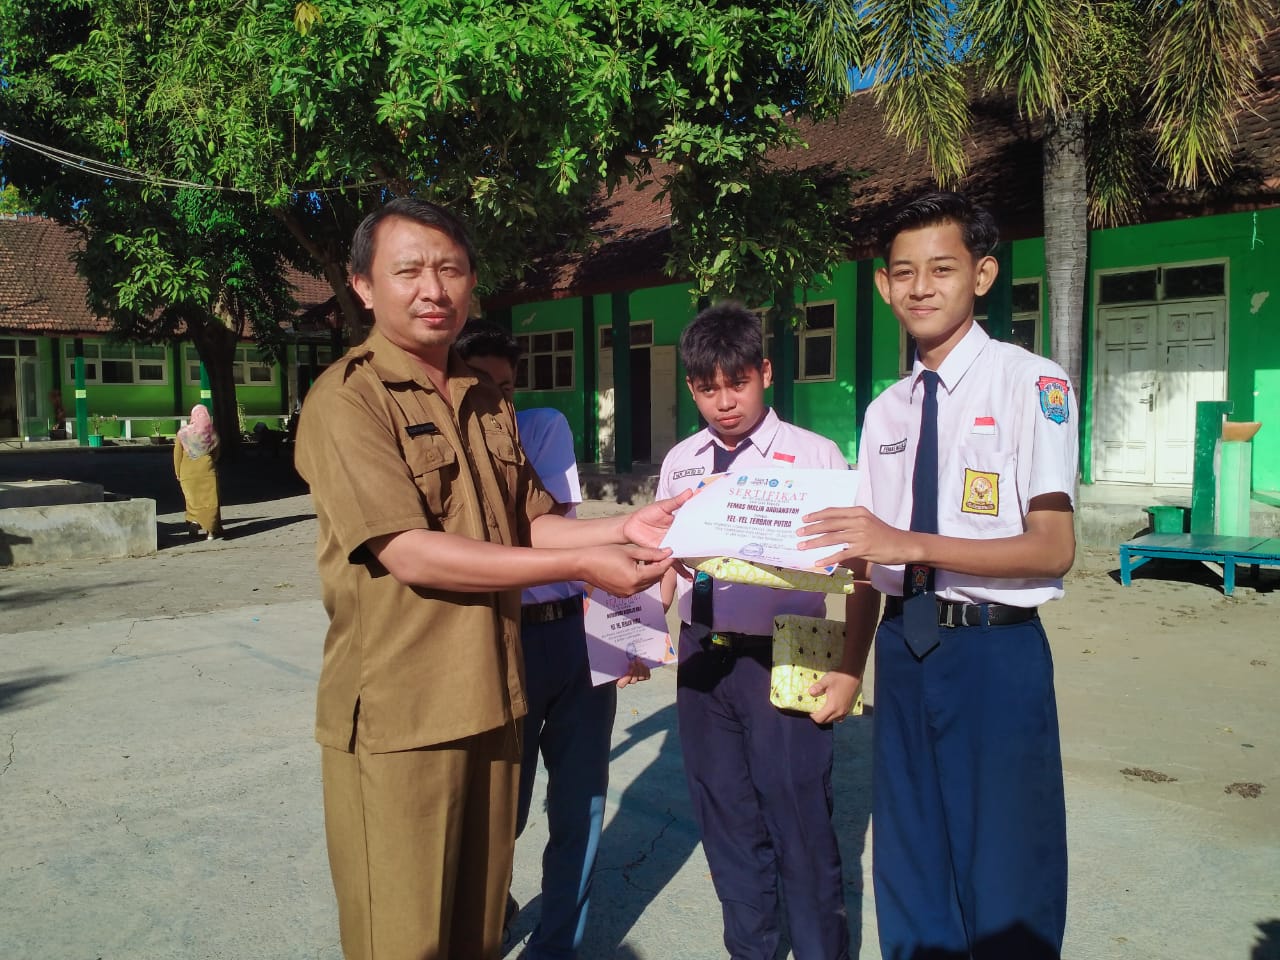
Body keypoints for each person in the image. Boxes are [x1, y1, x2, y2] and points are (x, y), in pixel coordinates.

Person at [293, 197, 687, 960]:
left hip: (495, 701)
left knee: (476, 931)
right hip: (404, 719)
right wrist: (580, 562)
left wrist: (626, 527)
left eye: (450, 269)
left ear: (473, 283)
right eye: (408, 270)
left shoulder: (484, 399)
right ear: (364, 286)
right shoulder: (348, 399)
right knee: (404, 938)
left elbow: (530, 520)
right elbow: (409, 551)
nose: (432, 287)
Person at [799, 190, 1078, 960]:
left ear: (982, 275)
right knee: (911, 860)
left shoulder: (1032, 385)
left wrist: (911, 542)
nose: (920, 287)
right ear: (884, 286)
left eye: (942, 268)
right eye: (902, 272)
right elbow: (870, 559)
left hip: (996, 652)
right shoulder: (885, 411)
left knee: (1005, 869)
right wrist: (851, 667)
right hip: (906, 651)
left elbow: (1052, 547)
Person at [655, 302, 865, 960]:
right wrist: (638, 632)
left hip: (791, 649)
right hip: (703, 657)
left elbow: (858, 572)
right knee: (726, 818)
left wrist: (852, 665)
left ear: (766, 373)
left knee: (798, 818)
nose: (724, 402)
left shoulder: (817, 458)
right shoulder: (683, 461)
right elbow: (663, 560)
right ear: (691, 386)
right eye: (708, 387)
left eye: (737, 382)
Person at [456, 321, 648, 959]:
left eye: (507, 387)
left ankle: (556, 946)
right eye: (483, 388)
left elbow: (556, 534)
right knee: (500, 807)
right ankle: (490, 919)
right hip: (501, 639)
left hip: (572, 634)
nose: (500, 401)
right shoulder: (446, 447)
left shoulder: (541, 428)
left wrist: (627, 631)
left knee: (580, 804)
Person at [173, 403, 222, 540]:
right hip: (207, 472)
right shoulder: (212, 433)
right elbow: (217, 455)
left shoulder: (183, 433)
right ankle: (211, 531)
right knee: (210, 502)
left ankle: (194, 522)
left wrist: (178, 473)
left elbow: (177, 455)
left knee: (192, 501)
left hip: (187, 473)